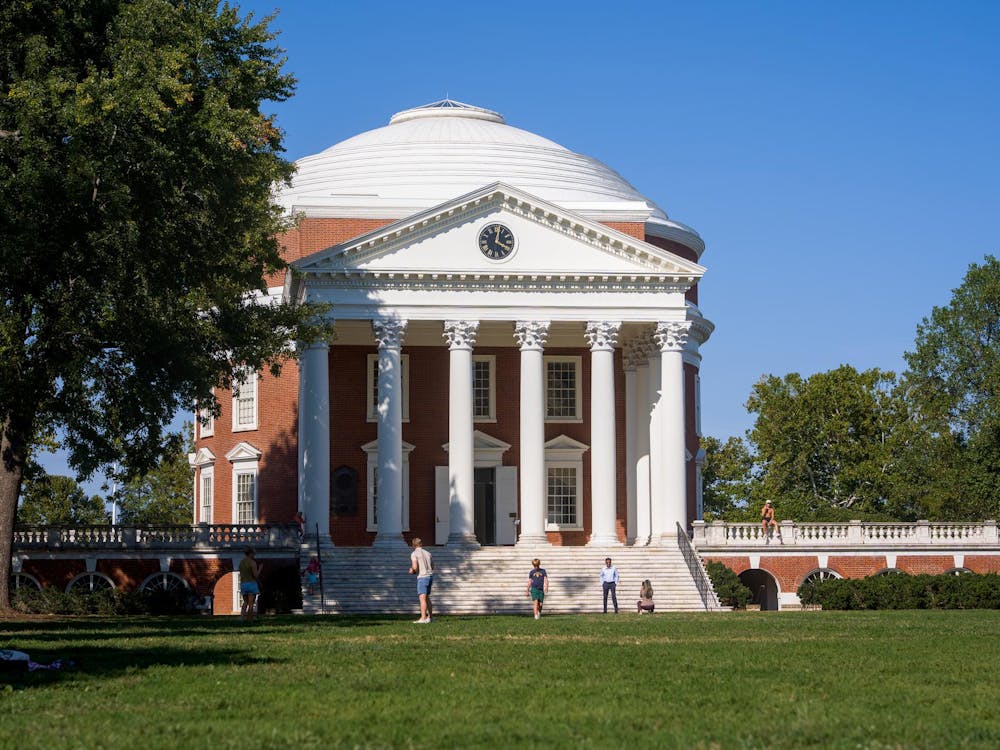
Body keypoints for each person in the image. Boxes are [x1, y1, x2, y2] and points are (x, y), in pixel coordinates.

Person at [408, 537, 433, 623]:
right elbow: (433, 567)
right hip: (430, 576)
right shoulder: (428, 553)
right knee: (427, 598)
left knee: (422, 598)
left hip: (422, 577)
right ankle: (430, 617)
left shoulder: (414, 554)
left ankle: (423, 618)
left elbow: (415, 567)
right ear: (421, 544)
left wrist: (412, 570)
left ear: (413, 545)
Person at [239, 547, 262, 622]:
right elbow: (256, 575)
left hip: (243, 584)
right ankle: (250, 620)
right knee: (251, 604)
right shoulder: (252, 562)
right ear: (250, 553)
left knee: (245, 602)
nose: (254, 555)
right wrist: (260, 569)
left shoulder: (241, 562)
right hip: (251, 583)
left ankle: (241, 619)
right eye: (253, 553)